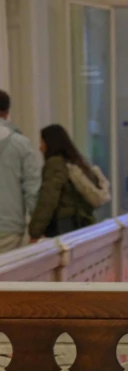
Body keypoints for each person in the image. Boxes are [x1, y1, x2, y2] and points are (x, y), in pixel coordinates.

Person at [29, 124, 109, 240]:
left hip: (63, 227)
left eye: (42, 142)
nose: (40, 147)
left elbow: (48, 200)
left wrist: (34, 231)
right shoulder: (76, 162)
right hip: (81, 224)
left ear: (50, 143)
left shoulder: (55, 164)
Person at [0, 90, 41, 253]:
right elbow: (32, 190)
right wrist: (37, 229)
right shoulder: (21, 144)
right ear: (7, 113)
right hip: (9, 230)